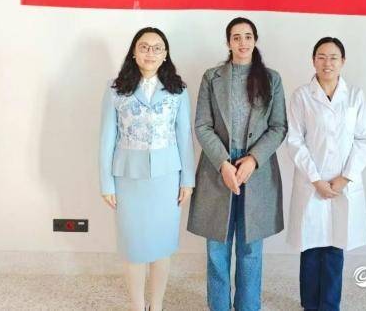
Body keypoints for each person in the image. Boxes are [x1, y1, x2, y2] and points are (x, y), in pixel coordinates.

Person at [187, 17, 287, 311]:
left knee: (250, 249)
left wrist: (253, 160)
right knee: (217, 249)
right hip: (218, 169)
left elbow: (278, 127)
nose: (242, 42)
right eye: (236, 37)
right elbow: (202, 125)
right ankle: (218, 306)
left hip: (257, 171)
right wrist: (224, 164)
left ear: (255, 40)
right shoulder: (212, 77)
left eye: (247, 36)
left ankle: (248, 306)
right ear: (228, 42)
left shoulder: (271, 79)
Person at [99, 27, 195, 311]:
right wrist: (106, 183)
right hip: (128, 178)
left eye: (157, 48)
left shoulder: (178, 90)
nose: (150, 53)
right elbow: (107, 138)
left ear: (165, 55)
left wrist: (187, 180)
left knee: (162, 246)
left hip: (167, 179)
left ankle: (157, 305)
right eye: (144, 47)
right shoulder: (116, 89)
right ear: (134, 52)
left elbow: (184, 137)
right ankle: (137, 306)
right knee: (133, 247)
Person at [286, 37, 366, 311]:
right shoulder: (302, 96)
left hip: (342, 184)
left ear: (343, 61)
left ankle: (329, 305)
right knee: (311, 247)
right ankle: (310, 304)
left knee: (335, 246)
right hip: (312, 182)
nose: (327, 63)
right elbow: (294, 141)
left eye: (333, 57)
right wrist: (316, 179)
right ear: (313, 61)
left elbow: (364, 140)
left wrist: (345, 178)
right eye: (321, 57)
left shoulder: (355, 96)